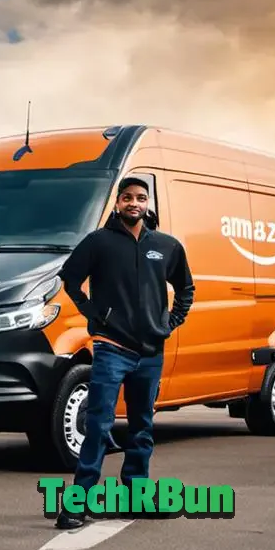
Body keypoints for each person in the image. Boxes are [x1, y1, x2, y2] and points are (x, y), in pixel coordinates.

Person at [54, 175, 195, 529]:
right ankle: (76, 504)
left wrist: (170, 322)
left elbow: (186, 288)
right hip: (111, 349)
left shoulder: (166, 246)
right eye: (128, 197)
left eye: (140, 198)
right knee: (98, 425)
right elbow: (70, 280)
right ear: (117, 202)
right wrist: (94, 315)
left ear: (148, 204)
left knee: (142, 427)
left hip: (150, 352)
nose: (134, 203)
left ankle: (137, 498)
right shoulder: (98, 242)